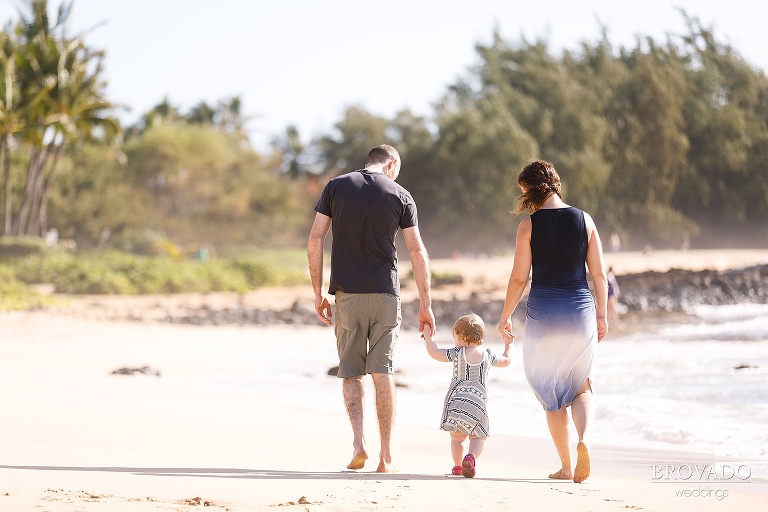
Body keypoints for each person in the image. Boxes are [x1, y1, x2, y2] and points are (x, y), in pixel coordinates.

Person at [307, 144, 435, 473]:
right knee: (383, 372)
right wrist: (426, 303)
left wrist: (318, 291)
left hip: (347, 295)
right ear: (391, 163)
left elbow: (316, 238)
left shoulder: (336, 186)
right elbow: (417, 250)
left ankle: (358, 444)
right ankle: (385, 456)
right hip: (385, 295)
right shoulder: (401, 194)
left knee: (351, 373)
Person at [497, 159, 608, 484]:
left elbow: (519, 279)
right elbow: (599, 273)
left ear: (531, 190)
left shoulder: (529, 226)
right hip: (580, 313)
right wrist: (602, 315)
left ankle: (566, 467)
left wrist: (505, 316)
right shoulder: (584, 219)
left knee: (550, 391)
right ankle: (584, 440)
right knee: (581, 384)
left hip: (544, 316)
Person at [423, 313, 512, 478]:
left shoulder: (457, 353)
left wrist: (428, 337)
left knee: (457, 439)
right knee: (478, 437)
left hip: (457, 403)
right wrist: (508, 344)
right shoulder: (488, 355)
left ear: (463, 338)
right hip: (477, 405)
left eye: (455, 338)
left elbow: (434, 352)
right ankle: (471, 457)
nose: (454, 342)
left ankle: (458, 466)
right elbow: (506, 361)